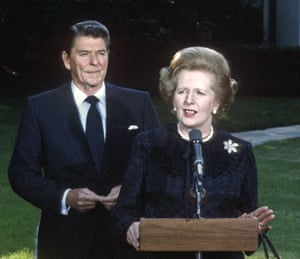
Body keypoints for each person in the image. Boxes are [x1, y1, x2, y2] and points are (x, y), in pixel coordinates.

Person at [8, 20, 160, 259]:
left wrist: (130, 191)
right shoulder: (41, 107)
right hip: (65, 242)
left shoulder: (138, 103)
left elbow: (159, 166)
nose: (94, 62)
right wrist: (66, 196)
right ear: (67, 60)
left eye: (101, 53)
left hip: (127, 239)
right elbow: (21, 174)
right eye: (84, 54)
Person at [113, 46, 276, 259]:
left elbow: (249, 238)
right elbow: (124, 211)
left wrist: (252, 231)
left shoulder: (239, 152)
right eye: (182, 91)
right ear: (173, 98)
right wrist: (130, 226)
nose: (189, 100)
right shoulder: (148, 144)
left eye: (200, 92)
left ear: (216, 103)